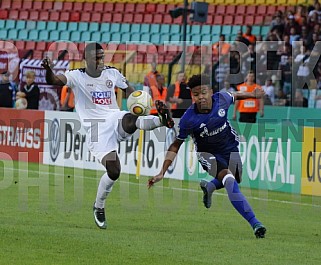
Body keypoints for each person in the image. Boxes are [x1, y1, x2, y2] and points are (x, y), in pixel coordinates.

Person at [42, 42, 174, 229]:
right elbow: (54, 80)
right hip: (95, 130)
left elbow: (130, 91)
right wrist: (49, 69)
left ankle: (162, 121)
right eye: (96, 57)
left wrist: (140, 101)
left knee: (130, 119)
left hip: (113, 117)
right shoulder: (75, 76)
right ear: (86, 59)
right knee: (114, 170)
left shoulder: (112, 73)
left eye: (102, 56)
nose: (101, 60)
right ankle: (99, 206)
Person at [147, 74, 267, 238]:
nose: (200, 97)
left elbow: (236, 95)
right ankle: (255, 223)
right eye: (196, 95)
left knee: (237, 177)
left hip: (229, 147)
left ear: (211, 91)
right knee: (229, 179)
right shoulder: (188, 119)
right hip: (208, 154)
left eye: (203, 92)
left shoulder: (222, 99)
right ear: (192, 96)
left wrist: (253, 95)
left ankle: (210, 186)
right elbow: (176, 145)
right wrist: (162, 171)